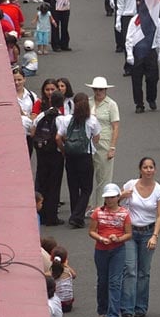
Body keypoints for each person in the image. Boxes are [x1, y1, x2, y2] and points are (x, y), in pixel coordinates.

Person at [119, 157, 160, 317]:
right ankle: (127, 308)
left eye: (151, 167)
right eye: (145, 167)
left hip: (148, 232)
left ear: (155, 170)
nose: (148, 170)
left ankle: (140, 306)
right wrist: (121, 195)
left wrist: (155, 236)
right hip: (130, 232)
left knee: (143, 272)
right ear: (140, 170)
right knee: (130, 269)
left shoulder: (159, 190)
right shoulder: (130, 185)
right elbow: (114, 203)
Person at [89, 183, 132, 317]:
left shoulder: (124, 213)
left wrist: (118, 239)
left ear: (118, 197)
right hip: (101, 250)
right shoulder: (97, 212)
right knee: (103, 280)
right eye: (107, 197)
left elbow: (128, 234)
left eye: (112, 197)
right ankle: (102, 309)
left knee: (115, 281)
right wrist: (101, 238)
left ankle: (113, 314)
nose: (109, 200)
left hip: (118, 250)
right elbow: (92, 231)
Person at [56, 92, 101, 228]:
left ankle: (76, 215)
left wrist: (64, 151)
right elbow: (97, 138)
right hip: (85, 156)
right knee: (86, 188)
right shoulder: (92, 120)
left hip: (70, 157)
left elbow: (58, 138)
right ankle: (77, 216)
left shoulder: (66, 119)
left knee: (73, 187)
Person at [31, 90, 64, 226]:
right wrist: (63, 150)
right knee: (54, 185)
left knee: (42, 181)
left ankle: (41, 213)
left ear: (50, 101)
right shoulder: (61, 118)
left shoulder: (41, 115)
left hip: (42, 152)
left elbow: (33, 131)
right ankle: (52, 217)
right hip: (55, 154)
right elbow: (60, 137)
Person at [86, 76, 120, 206]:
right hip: (89, 143)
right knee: (87, 176)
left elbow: (115, 127)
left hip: (104, 143)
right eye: (95, 89)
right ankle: (87, 205)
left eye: (100, 90)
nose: (98, 92)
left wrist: (112, 147)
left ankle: (100, 207)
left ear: (105, 90)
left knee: (103, 179)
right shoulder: (88, 102)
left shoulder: (111, 104)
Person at [125, 13, 160, 112]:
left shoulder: (156, 20)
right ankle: (139, 104)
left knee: (153, 78)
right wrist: (129, 53)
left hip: (151, 51)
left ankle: (151, 98)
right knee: (137, 79)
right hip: (138, 51)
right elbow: (129, 38)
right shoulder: (135, 20)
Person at [14, 65, 37, 156]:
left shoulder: (32, 96)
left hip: (28, 134)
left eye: (19, 80)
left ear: (24, 79)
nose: (17, 83)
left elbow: (36, 113)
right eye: (14, 80)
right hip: (15, 135)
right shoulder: (8, 98)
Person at [50, 245, 76, 312]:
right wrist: (66, 265)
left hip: (59, 304)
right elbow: (74, 275)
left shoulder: (53, 272)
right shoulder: (67, 270)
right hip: (69, 303)